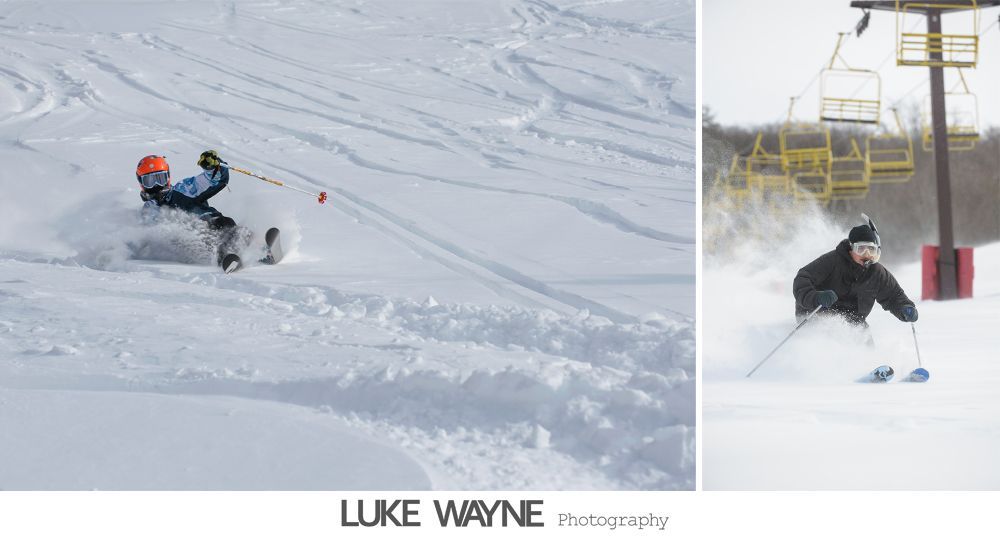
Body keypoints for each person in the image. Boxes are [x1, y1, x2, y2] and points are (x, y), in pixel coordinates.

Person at [793, 220, 917, 328]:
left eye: (871, 249)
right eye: (861, 249)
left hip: (854, 323)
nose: (866, 254)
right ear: (851, 249)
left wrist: (904, 308)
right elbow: (802, 278)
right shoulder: (832, 261)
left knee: (864, 345)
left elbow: (893, 296)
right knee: (829, 338)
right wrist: (816, 297)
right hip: (818, 315)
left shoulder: (876, 272)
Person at [135, 150, 250, 262]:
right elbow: (145, 238)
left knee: (225, 223)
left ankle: (251, 248)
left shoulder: (185, 188)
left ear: (168, 177)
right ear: (141, 183)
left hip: (213, 226)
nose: (156, 185)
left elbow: (214, 180)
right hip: (192, 245)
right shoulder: (149, 211)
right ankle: (226, 257)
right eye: (149, 181)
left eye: (160, 178)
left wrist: (213, 166)